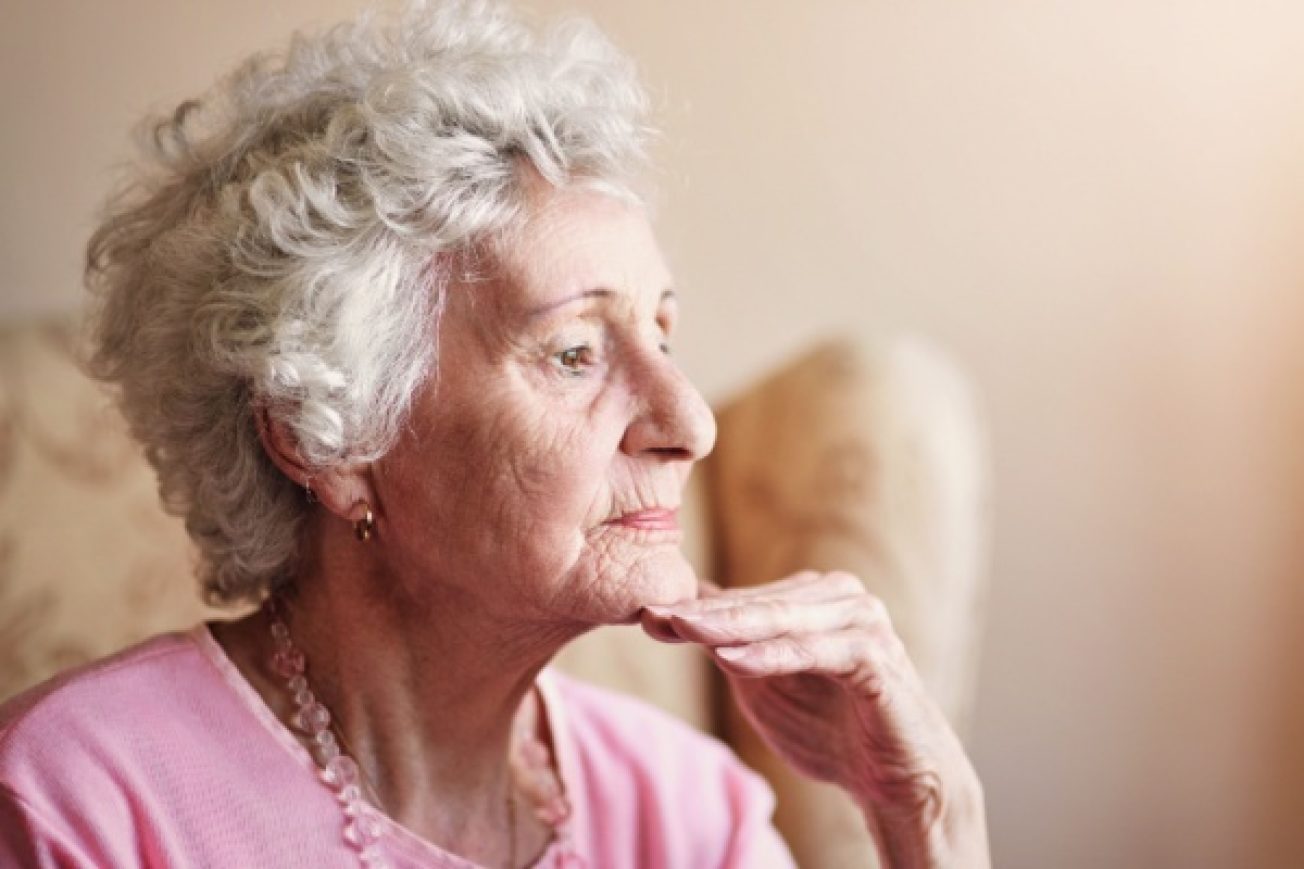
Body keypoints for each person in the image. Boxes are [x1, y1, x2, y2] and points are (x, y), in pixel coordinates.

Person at [0, 1, 989, 866]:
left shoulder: (687, 810)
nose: (688, 423)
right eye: (573, 353)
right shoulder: (80, 801)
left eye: (660, 334)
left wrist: (928, 815)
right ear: (328, 438)